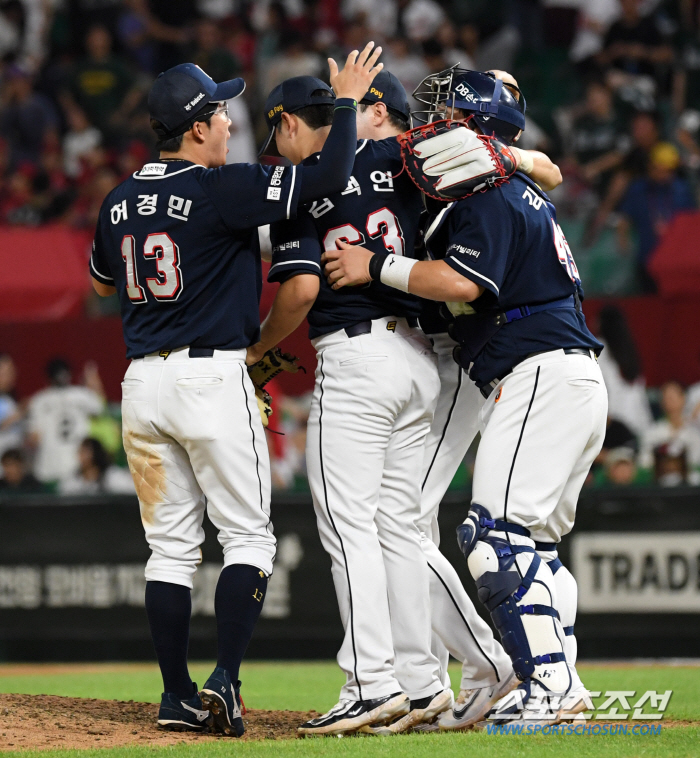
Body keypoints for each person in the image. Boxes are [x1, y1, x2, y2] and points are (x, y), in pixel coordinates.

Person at [251, 69, 560, 735]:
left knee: (350, 526)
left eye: (278, 129)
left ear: (293, 123)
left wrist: (253, 353)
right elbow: (529, 166)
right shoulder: (402, 155)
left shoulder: (302, 188)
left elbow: (301, 292)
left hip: (362, 353)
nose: (275, 145)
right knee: (396, 524)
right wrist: (526, 154)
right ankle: (423, 686)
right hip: (419, 351)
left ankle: (372, 682)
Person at [88, 48, 384, 736]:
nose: (228, 123)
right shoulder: (222, 187)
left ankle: (175, 697)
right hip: (211, 374)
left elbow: (104, 281)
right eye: (219, 113)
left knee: (170, 549)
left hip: (142, 382)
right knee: (249, 537)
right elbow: (330, 172)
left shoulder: (119, 197)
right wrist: (344, 103)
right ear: (195, 128)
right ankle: (225, 678)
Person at [324, 68, 608, 725]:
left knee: (496, 535)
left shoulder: (489, 193)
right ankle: (560, 681)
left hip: (538, 373)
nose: (425, 130)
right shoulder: (510, 186)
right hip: (563, 375)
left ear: (471, 131)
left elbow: (461, 283)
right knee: (535, 548)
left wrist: (377, 266)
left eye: (441, 117)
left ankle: (549, 690)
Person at [617, 142, 696, 293]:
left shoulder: (682, 190)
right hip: (647, 257)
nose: (663, 175)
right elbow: (625, 217)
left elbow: (690, 222)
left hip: (675, 261)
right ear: (651, 167)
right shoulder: (638, 189)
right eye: (659, 170)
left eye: (668, 171)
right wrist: (623, 240)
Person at [26, 358, 104, 483]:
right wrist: (92, 379)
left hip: (50, 466)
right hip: (76, 466)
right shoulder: (82, 395)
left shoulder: (39, 400)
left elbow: (34, 438)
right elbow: (100, 406)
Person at [639, 381, 700, 486]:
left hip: (690, 487)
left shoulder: (695, 434)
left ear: (683, 399)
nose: (669, 401)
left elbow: (696, 463)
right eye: (665, 397)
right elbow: (644, 463)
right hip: (659, 486)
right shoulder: (652, 433)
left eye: (672, 396)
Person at [58, 437, 136, 495]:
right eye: (80, 452)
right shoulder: (75, 478)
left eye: (84, 452)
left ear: (95, 454)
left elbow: (132, 492)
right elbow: (64, 493)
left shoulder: (111, 475)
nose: (81, 456)